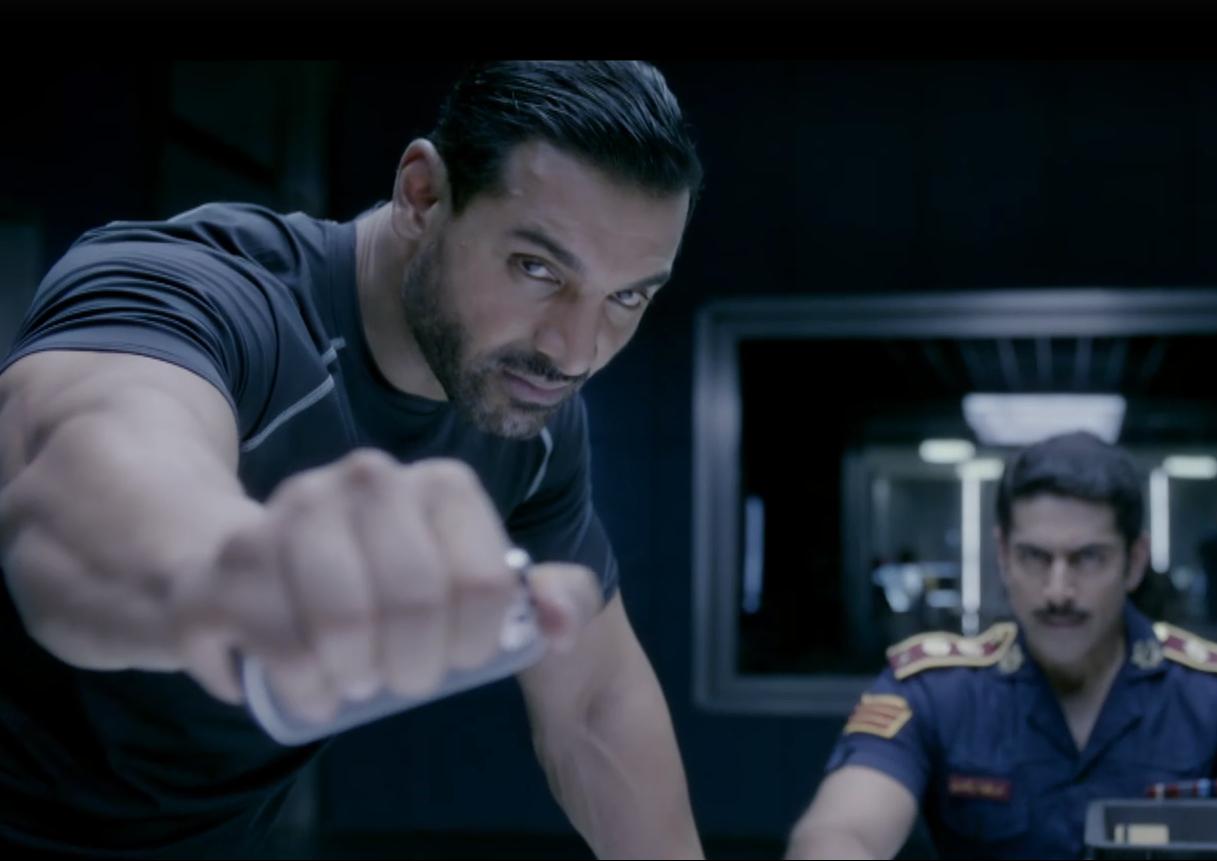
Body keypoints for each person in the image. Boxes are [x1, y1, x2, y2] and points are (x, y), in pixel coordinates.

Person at [0, 61, 704, 859]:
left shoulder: (531, 422)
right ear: (422, 195)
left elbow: (594, 706)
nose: (573, 352)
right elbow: (79, 478)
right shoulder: (198, 291)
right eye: (536, 268)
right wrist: (229, 575)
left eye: (627, 296)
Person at [786, 431, 1217, 860]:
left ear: (1135, 562)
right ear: (1003, 555)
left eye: (1088, 558)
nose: (1058, 591)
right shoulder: (937, 691)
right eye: (1035, 557)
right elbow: (840, 831)